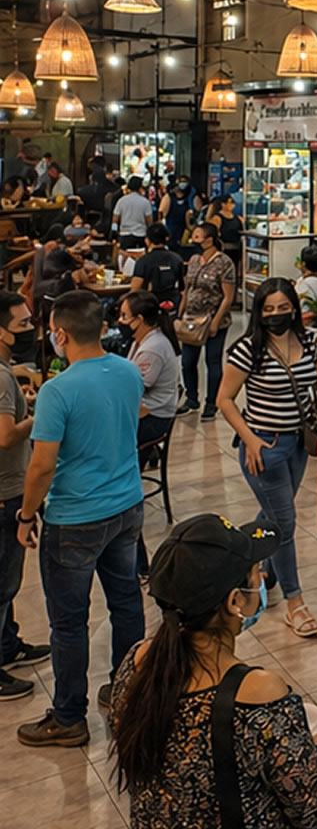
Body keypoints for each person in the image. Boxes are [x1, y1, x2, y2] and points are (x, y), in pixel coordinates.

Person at [107, 513, 317, 829]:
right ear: (235, 601)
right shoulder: (257, 693)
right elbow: (314, 807)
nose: (261, 579)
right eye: (256, 573)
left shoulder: (138, 661)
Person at [14, 290, 146, 746]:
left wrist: (27, 515)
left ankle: (69, 716)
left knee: (69, 621)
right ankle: (128, 689)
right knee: (126, 601)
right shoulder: (128, 371)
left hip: (75, 518)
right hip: (127, 506)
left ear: (61, 334)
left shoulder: (58, 390)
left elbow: (42, 465)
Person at [218, 278, 317, 640]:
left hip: (299, 443)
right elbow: (225, 398)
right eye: (268, 309)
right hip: (264, 446)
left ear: (294, 309)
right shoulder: (246, 350)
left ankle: (249, 565)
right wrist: (250, 440)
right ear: (259, 312)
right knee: (284, 522)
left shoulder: (310, 341)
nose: (276, 315)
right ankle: (295, 603)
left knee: (272, 515)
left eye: (283, 308)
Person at [0, 292, 47, 701]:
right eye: (22, 325)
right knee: (3, 583)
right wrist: (37, 415)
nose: (30, 330)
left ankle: (8, 644)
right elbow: (4, 434)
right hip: (6, 493)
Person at [179, 222, 237, 420]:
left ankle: (211, 402)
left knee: (212, 360)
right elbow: (188, 288)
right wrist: (182, 310)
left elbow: (228, 296)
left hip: (214, 319)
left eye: (197, 235)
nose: (193, 239)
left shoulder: (224, 262)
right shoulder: (194, 260)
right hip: (192, 319)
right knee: (188, 361)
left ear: (209, 239)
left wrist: (216, 320)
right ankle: (191, 398)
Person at [120, 290, 181, 445]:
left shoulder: (153, 348)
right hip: (143, 411)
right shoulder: (140, 340)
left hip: (154, 418)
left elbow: (134, 388)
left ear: (139, 319)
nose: (120, 321)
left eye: (124, 316)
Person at [130, 225, 186, 314]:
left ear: (147, 241)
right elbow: (183, 288)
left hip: (150, 309)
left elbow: (135, 289)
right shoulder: (177, 258)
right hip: (174, 307)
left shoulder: (143, 261)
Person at [114, 173, 154, 246]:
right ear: (140, 187)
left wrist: (114, 233)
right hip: (140, 236)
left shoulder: (121, 201)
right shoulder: (145, 202)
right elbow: (149, 222)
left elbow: (115, 220)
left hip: (124, 236)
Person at [210, 194, 243, 266]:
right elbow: (214, 234)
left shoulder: (238, 219)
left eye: (233, 203)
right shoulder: (217, 218)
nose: (232, 205)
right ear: (223, 204)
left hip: (236, 249)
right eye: (229, 203)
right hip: (223, 249)